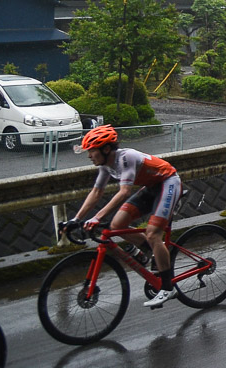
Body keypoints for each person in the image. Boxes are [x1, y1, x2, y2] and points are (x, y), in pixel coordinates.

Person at [68, 125, 182, 308]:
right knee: (116, 225)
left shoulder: (125, 158)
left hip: (168, 182)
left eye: (92, 151)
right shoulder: (106, 166)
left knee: (154, 234)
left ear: (106, 149)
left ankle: (168, 288)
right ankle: (150, 253)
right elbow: (96, 192)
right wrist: (76, 219)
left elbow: (124, 192)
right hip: (152, 187)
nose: (89, 155)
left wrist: (96, 217)